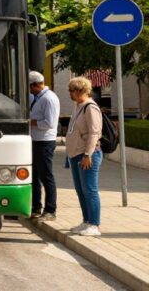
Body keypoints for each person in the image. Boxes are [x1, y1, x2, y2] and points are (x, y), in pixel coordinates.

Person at [65, 76, 103, 236]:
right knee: (81, 190)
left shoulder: (90, 107)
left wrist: (88, 154)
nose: (70, 94)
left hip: (87, 155)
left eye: (72, 91)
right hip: (76, 154)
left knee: (90, 189)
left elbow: (94, 133)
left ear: (81, 90)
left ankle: (94, 224)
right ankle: (86, 221)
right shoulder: (78, 106)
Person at [27, 71, 60, 221]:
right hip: (35, 140)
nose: (29, 90)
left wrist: (31, 122)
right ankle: (35, 206)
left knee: (46, 175)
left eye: (30, 87)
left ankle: (50, 209)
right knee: (35, 175)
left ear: (36, 85)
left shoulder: (49, 98)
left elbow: (50, 123)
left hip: (45, 141)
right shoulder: (37, 98)